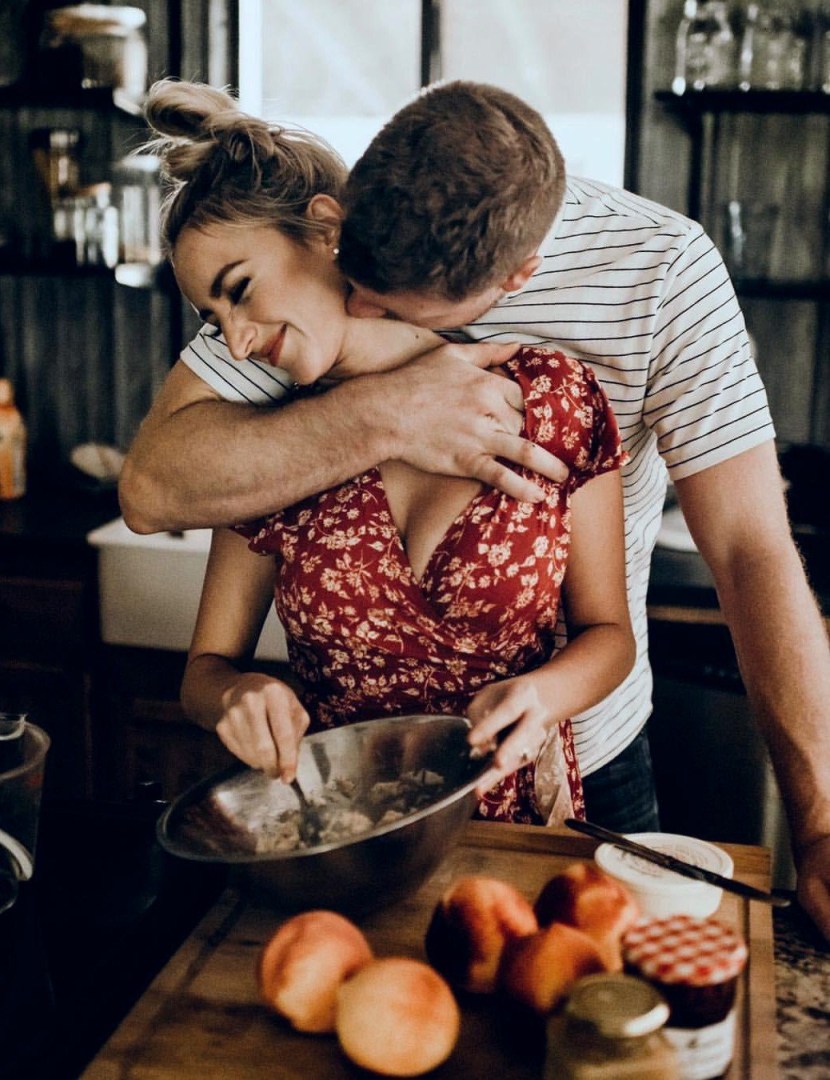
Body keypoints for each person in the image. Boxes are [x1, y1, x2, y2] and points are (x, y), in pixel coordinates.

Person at [120, 80, 830, 938]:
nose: (361, 308)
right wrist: (390, 411)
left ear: (513, 281)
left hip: (575, 782)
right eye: (359, 281)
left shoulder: (639, 295)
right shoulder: (293, 309)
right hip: (345, 814)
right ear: (341, 219)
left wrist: (820, 824)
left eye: (388, 301)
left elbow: (750, 550)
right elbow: (153, 490)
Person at [145, 78, 636, 824]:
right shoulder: (265, 444)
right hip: (336, 834)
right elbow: (204, 672)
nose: (237, 340)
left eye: (239, 290)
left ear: (323, 229)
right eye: (213, 319)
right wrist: (236, 696)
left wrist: (547, 692)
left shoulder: (553, 395)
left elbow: (609, 636)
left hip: (516, 832)